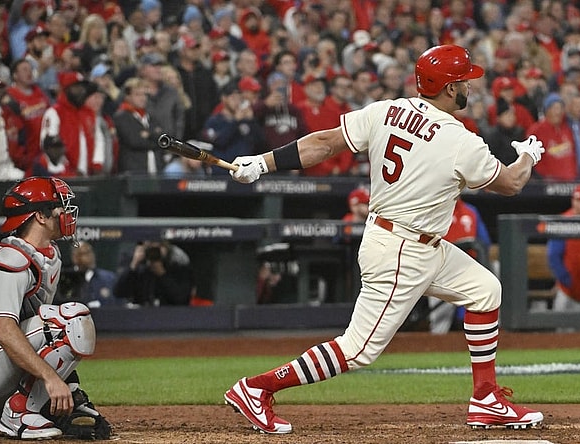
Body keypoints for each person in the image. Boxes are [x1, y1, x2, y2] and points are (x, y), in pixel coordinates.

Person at [224, 44, 546, 434]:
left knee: (484, 290)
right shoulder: (461, 140)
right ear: (448, 89)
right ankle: (257, 389)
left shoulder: (385, 110)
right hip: (401, 250)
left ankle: (486, 400)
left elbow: (323, 143)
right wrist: (528, 156)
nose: (469, 89)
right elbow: (511, 183)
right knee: (358, 350)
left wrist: (263, 162)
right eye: (463, 82)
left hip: (415, 242)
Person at [0, 177, 110, 440]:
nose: (67, 213)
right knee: (71, 319)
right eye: (60, 207)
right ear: (41, 217)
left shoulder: (47, 254)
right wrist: (51, 377)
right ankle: (18, 413)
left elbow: (40, 334)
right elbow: (2, 329)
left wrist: (68, 383)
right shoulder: (11, 258)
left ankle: (34, 404)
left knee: (56, 321)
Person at [428, 198, 493, 335]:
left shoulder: (471, 211)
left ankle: (495, 331)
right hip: (441, 269)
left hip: (468, 269)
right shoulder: (433, 209)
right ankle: (436, 340)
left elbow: (484, 243)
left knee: (493, 277)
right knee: (440, 319)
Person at [547, 184, 580, 312]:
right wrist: (567, 282)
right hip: (569, 293)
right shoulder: (562, 222)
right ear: (575, 201)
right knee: (563, 331)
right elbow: (553, 257)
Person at [114, 240, 195, 306]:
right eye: (149, 248)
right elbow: (119, 293)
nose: (153, 253)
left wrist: (162, 273)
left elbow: (182, 299)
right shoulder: (137, 266)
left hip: (169, 316)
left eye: (157, 249)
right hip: (141, 316)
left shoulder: (177, 263)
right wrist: (134, 265)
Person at [58, 241, 118, 308]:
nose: (91, 256)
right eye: (85, 253)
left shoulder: (109, 278)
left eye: (91, 252)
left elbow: (116, 302)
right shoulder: (65, 278)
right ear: (75, 257)